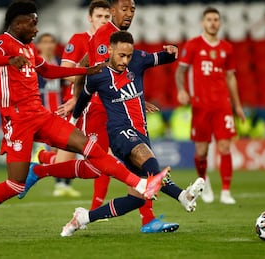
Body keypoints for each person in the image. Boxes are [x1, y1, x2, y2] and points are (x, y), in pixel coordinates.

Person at [0, 1, 167, 241]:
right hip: (17, 121)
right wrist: (9, 61)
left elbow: (49, 71)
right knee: (15, 184)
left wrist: (86, 72)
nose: (36, 29)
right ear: (17, 23)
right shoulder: (4, 43)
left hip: (40, 115)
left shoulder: (30, 49)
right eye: (33, 23)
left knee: (89, 147)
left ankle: (141, 184)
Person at [60, 31, 205, 236]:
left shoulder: (138, 59)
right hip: (119, 132)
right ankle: (182, 195)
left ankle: (83, 217)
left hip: (140, 132)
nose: (125, 60)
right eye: (121, 55)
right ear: (110, 50)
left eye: (128, 56)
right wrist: (74, 120)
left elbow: (164, 57)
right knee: (149, 162)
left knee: (136, 198)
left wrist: (172, 51)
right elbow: (83, 97)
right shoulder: (98, 74)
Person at [56, 0, 176, 233]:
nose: (129, 13)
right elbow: (99, 74)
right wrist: (76, 98)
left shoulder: (112, 36)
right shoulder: (106, 36)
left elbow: (86, 67)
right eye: (125, 9)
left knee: (123, 168)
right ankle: (43, 170)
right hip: (105, 110)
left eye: (133, 9)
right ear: (111, 12)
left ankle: (142, 219)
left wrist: (135, 97)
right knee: (103, 165)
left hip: (114, 107)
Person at [34, 0, 111, 199]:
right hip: (79, 104)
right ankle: (43, 158)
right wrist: (90, 76)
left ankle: (96, 208)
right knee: (82, 161)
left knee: (101, 157)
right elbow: (66, 73)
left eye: (107, 17)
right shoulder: (78, 39)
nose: (103, 20)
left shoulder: (114, 41)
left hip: (102, 105)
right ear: (90, 18)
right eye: (99, 16)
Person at [174, 7, 245, 205]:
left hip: (222, 105)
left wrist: (237, 105)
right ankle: (203, 181)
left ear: (220, 23)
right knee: (201, 152)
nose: (213, 23)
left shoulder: (227, 48)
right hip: (200, 106)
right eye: (209, 19)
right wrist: (181, 90)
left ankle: (226, 191)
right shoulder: (194, 45)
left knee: (224, 146)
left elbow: (231, 78)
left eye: (216, 19)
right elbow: (180, 72)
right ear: (203, 23)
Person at [35, 32, 81, 197]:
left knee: (70, 148)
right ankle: (59, 183)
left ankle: (64, 183)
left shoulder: (59, 63)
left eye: (51, 41)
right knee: (58, 148)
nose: (48, 45)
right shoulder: (34, 64)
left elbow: (67, 85)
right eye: (45, 42)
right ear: (38, 45)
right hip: (43, 115)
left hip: (61, 112)